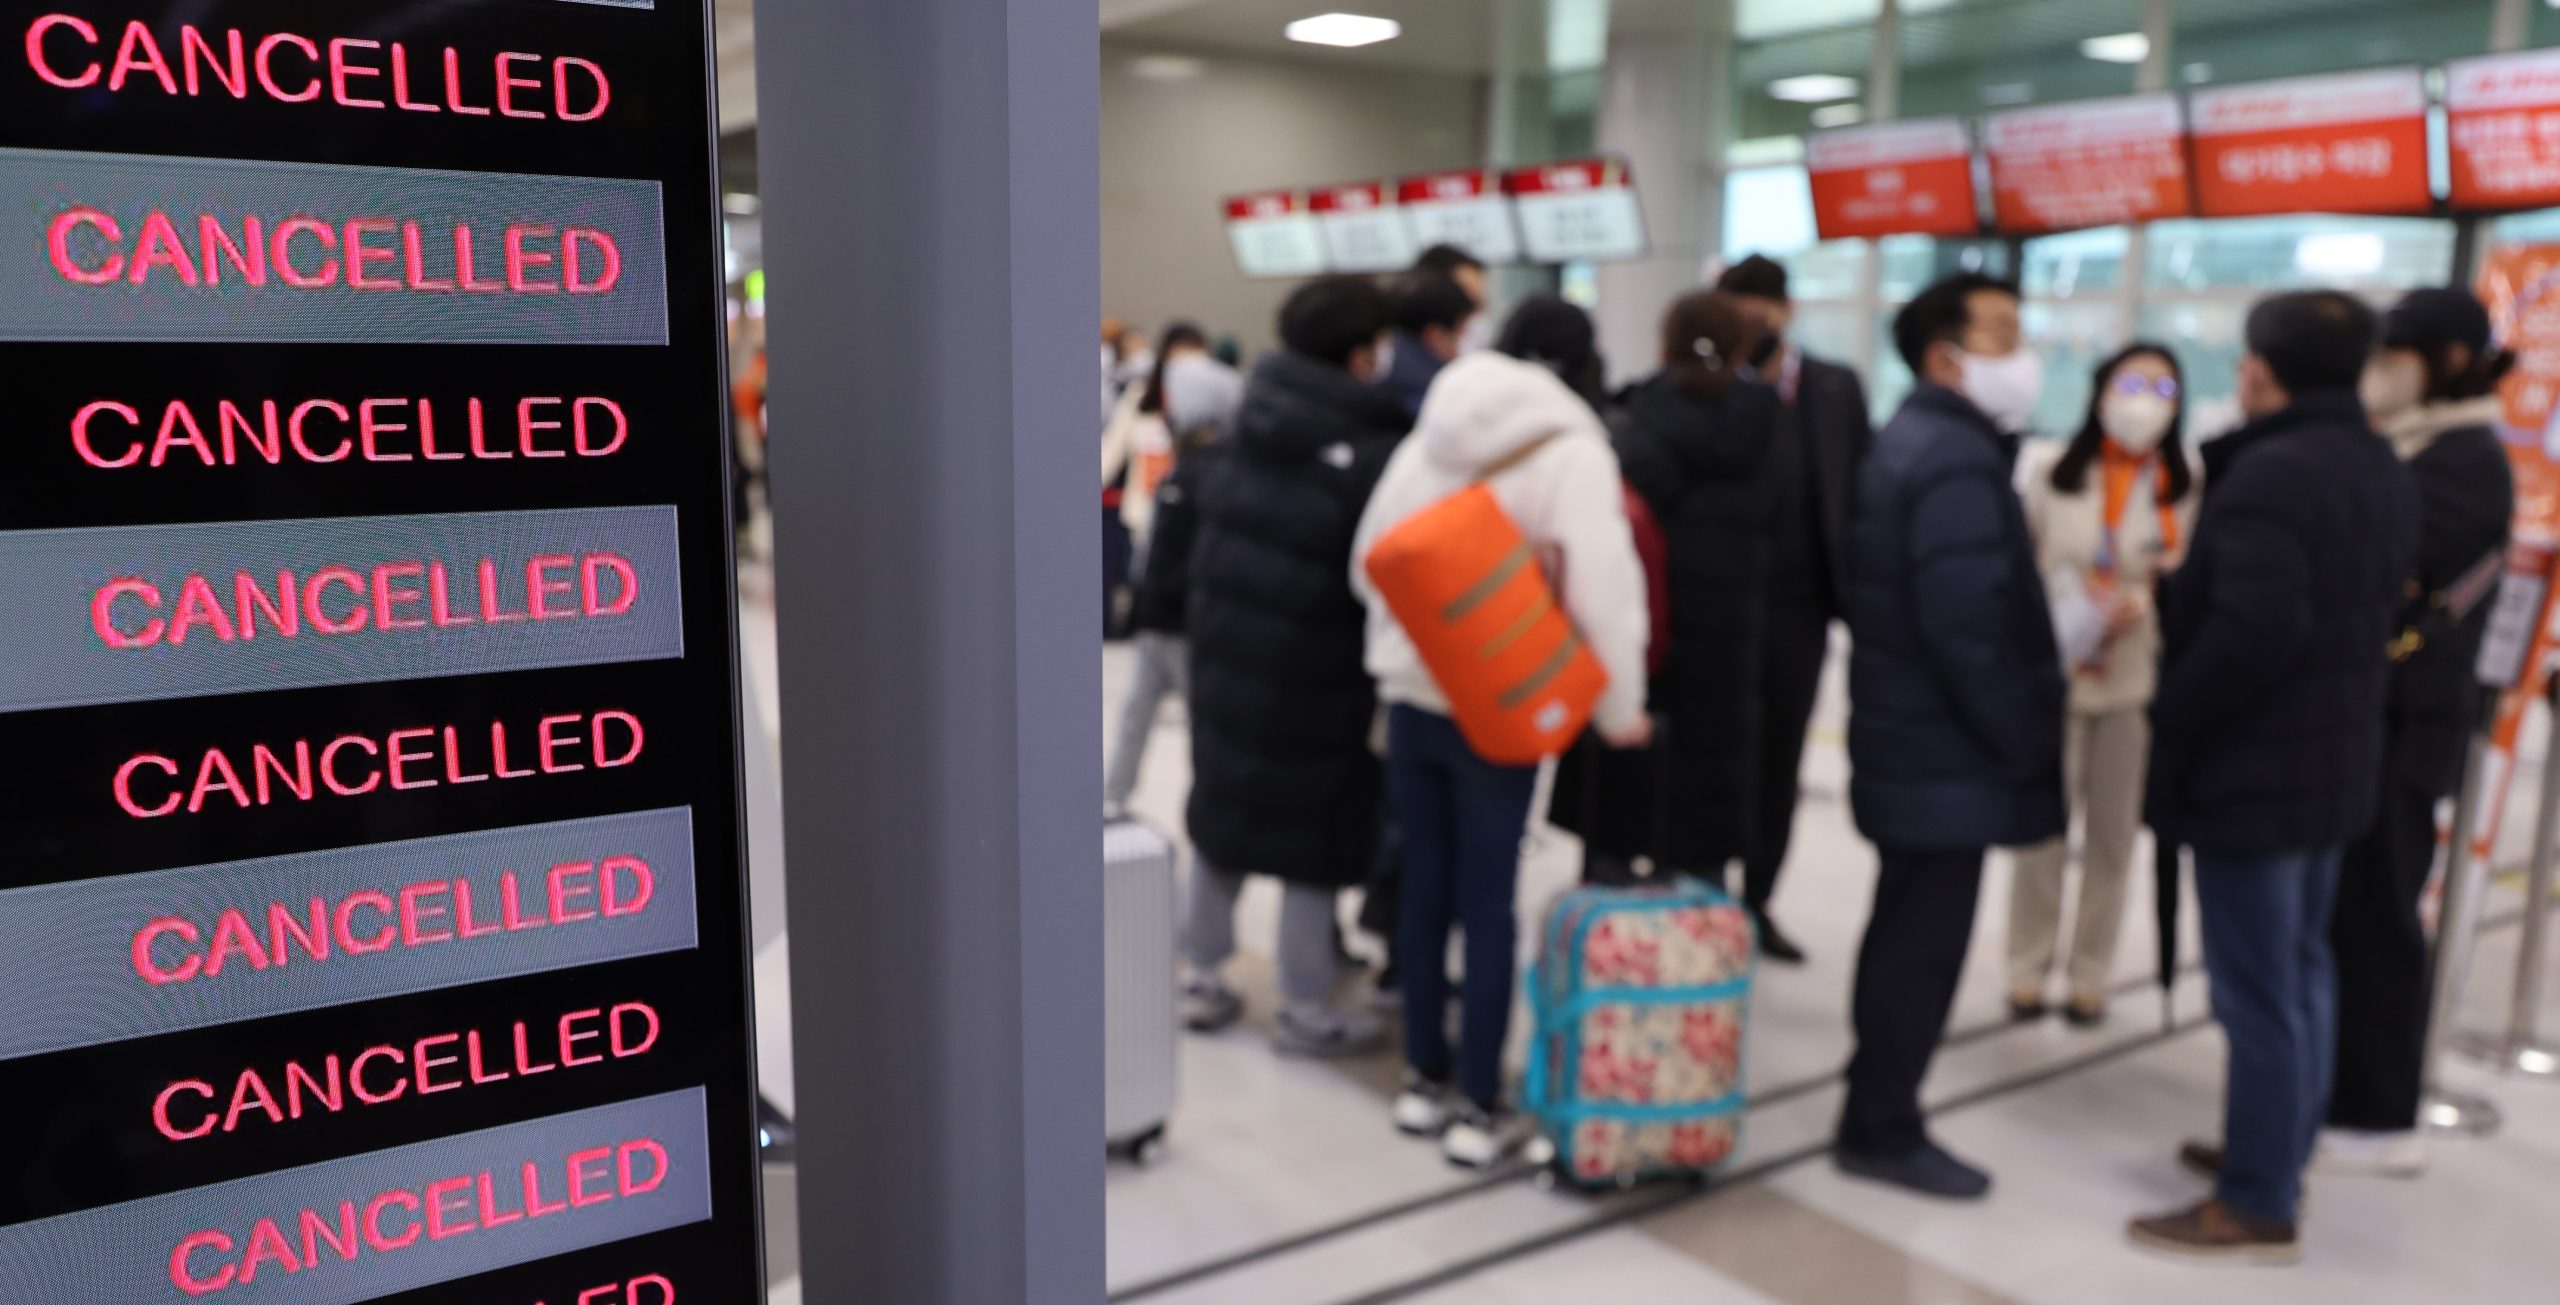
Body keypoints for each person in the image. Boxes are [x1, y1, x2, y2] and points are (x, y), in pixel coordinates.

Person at [2131, 291, 2417, 1262]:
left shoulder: (2270, 472)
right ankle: (2272, 1150)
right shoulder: (2374, 461)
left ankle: (2256, 1199)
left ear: (2259, 369)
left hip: (2256, 773)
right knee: (2302, 974)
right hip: (2335, 759)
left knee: (2257, 991)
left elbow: (2256, 627)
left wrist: (2170, 712)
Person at [1352, 303, 1651, 1167]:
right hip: (1501, 704)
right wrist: (1618, 709)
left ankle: (1421, 1082)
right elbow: (1605, 592)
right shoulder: (1572, 449)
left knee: (1424, 887)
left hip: (1410, 693)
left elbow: (1366, 557)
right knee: (1490, 901)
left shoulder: (1432, 429)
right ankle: (1480, 1106)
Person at [1838, 272, 2066, 1199]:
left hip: (1913, 739)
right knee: (1920, 945)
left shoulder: (1923, 440)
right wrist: (2020, 733)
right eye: (2003, 335)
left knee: (1904, 933)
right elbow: (1966, 624)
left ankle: (1876, 1106)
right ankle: (1882, 1124)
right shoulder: (1953, 458)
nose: (2023, 356)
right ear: (1946, 355)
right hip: (1942, 749)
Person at [1183, 275, 1413, 1055]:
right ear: (1360, 356)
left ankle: (1200, 972)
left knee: (1228, 808)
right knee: (1314, 825)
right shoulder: (1374, 448)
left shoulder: (1250, 416)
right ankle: (1307, 1002)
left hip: (1228, 653)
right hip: (1318, 669)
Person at [2317, 289, 2514, 1176]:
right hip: (2375, 712)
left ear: (2448, 360)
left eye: (2399, 351)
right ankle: (2333, 1091)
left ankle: (2374, 1111)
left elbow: (2389, 566)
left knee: (2381, 909)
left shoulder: (2467, 457)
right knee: (2349, 906)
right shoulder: (2416, 444)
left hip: (2410, 719)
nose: (2381, 367)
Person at [1549, 293, 1784, 908]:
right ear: (1740, 352)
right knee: (1704, 846)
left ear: (1664, 347)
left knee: (1616, 821)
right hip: (1726, 658)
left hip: (1635, 646)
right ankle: (1695, 980)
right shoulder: (1766, 426)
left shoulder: (1629, 421)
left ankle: (1607, 976)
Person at [2008, 345, 2200, 1027]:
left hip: (2134, 679)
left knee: (2113, 836)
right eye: (2131, 381)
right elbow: (2023, 567)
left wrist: (2150, 595)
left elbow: (2197, 578)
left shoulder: (2185, 484)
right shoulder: (2052, 474)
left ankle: (2091, 973)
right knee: (2043, 835)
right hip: (2058, 673)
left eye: (2161, 386)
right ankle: (2026, 964)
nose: (2144, 397)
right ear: (2098, 394)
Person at [1716, 254, 1875, 963]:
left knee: (1779, 760)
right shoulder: (1709, 378)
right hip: (1723, 605)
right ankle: (1707, 892)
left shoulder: (1835, 388)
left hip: (1802, 606)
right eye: (1740, 314)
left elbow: (1860, 485)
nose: (1756, 326)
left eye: (1765, 313)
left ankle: (1758, 900)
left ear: (1790, 310)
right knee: (1721, 757)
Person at [1104, 349, 1245, 820]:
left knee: (1206, 725)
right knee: (1134, 716)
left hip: (1188, 625)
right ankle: (1113, 796)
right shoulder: (1182, 470)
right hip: (1156, 620)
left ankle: (1217, 803)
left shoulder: (1215, 475)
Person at [1377, 272, 1479, 416]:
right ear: (1435, 335)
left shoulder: (1386, 374)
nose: (1465, 337)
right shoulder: (1436, 396)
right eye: (1461, 329)